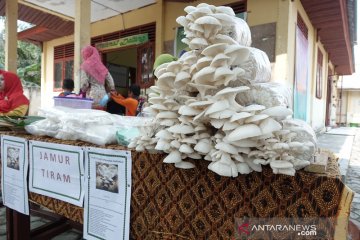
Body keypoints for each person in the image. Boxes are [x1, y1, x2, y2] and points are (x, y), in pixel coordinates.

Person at [80, 45, 115, 109]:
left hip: (92, 96)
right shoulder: (100, 65)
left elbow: (84, 84)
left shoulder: (85, 66)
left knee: (93, 117)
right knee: (102, 115)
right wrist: (112, 89)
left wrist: (82, 91)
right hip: (104, 97)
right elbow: (110, 79)